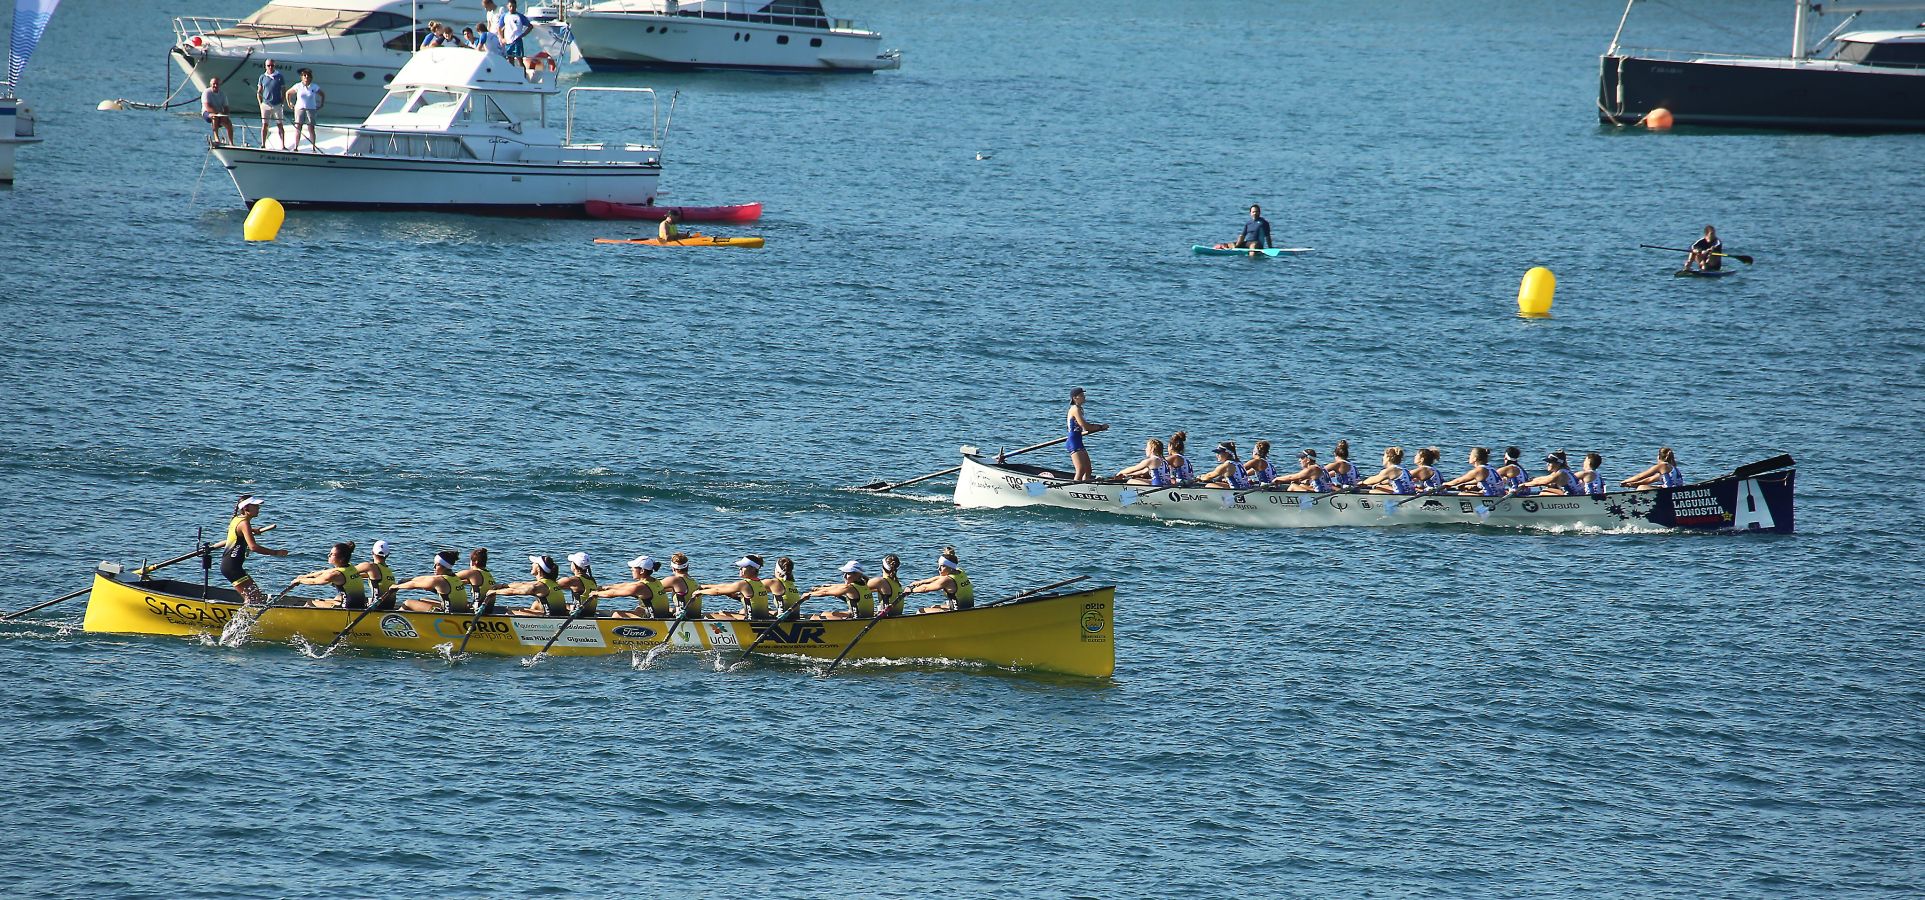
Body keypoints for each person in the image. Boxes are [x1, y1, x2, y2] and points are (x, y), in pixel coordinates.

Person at [220, 495, 288, 605]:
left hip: (230, 565)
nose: (258, 508)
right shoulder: (244, 523)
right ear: (246, 508)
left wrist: (252, 530)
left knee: (257, 597)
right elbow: (253, 547)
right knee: (252, 599)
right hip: (232, 567)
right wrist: (275, 552)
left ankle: (247, 617)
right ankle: (240, 620)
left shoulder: (237, 519)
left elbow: (239, 531)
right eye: (255, 506)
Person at [293, 542, 368, 609]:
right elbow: (323, 572)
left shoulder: (336, 574)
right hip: (360, 604)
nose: (328, 555)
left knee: (310, 603)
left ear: (341, 559)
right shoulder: (350, 567)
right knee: (336, 598)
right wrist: (306, 576)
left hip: (348, 608)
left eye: (332, 554)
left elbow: (314, 582)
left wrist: (299, 580)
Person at [395, 551, 473, 613]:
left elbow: (414, 584)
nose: (434, 567)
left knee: (408, 603)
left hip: (447, 614)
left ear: (441, 565)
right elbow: (424, 578)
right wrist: (404, 580)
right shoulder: (454, 577)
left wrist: (396, 586)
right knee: (423, 600)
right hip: (460, 610)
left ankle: (393, 623)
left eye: (436, 565)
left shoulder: (439, 580)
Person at [699, 556, 772, 621]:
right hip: (762, 618)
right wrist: (705, 586)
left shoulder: (743, 584)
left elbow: (717, 591)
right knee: (724, 613)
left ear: (752, 569)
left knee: (706, 615)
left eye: (743, 567)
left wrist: (699, 592)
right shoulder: (759, 583)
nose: (740, 568)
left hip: (751, 622)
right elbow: (725, 587)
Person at [599, 556, 672, 619]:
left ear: (642, 571)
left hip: (655, 619)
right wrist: (605, 587)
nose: (631, 569)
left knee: (616, 615)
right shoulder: (655, 581)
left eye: (633, 568)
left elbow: (613, 593)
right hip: (661, 615)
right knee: (639, 609)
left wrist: (596, 594)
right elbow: (625, 585)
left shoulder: (640, 587)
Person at [499, 555, 570, 616]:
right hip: (557, 615)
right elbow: (523, 584)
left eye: (534, 563)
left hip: (550, 618)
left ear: (538, 568)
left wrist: (494, 592)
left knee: (509, 612)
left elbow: (513, 591)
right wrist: (503, 585)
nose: (532, 564)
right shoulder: (550, 582)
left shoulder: (541, 586)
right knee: (536, 604)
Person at [908, 550, 975, 613]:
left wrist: (910, 590)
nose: (939, 569)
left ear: (950, 567)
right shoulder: (960, 571)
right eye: (939, 565)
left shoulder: (947, 580)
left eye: (942, 566)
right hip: (968, 609)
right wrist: (921, 582)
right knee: (934, 607)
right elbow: (939, 577)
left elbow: (925, 588)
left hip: (958, 612)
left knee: (921, 611)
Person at [1064, 387, 1108, 481]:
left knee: (1088, 470)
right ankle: (1073, 489)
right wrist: (1100, 427)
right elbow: (1085, 427)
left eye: (1084, 395)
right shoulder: (1075, 409)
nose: (1084, 397)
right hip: (1073, 442)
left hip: (1078, 440)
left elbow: (1083, 428)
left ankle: (1086, 487)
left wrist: (1098, 427)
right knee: (1080, 470)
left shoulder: (1080, 409)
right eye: (1081, 395)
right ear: (1075, 398)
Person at [806, 561, 874, 620]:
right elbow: (838, 586)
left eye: (847, 573)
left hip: (857, 620)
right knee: (824, 613)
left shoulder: (849, 588)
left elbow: (825, 592)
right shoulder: (864, 584)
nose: (844, 576)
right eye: (844, 573)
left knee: (814, 618)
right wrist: (821, 588)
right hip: (865, 616)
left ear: (856, 574)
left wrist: (809, 594)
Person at [287, 68, 324, 152]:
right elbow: (288, 93)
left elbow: (322, 94)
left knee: (311, 128)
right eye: (305, 76)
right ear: (302, 77)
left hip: (311, 109)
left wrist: (321, 104)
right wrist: (289, 103)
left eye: (308, 76)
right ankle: (296, 147)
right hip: (299, 109)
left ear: (311, 77)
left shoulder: (314, 86)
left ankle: (313, 147)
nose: (306, 77)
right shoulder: (298, 86)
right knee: (298, 127)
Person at [357, 540, 399, 610]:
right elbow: (376, 577)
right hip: (390, 606)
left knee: (339, 598)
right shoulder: (388, 571)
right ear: (388, 554)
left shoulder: (370, 567)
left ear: (372, 552)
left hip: (376, 608)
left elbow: (349, 570)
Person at [1516, 454, 1582, 496]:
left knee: (1543, 493)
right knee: (1549, 488)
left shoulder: (1560, 473)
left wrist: (1525, 484)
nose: (1547, 464)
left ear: (1558, 464)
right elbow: (1543, 478)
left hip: (1570, 497)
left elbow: (1543, 482)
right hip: (1574, 494)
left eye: (1550, 462)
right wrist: (1532, 480)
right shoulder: (1563, 471)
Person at [558, 552, 600, 618]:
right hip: (590, 614)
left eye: (572, 562)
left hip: (579, 616)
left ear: (574, 566)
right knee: (566, 605)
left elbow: (551, 585)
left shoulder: (573, 580)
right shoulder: (592, 579)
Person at [256, 60, 287, 149]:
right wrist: (260, 103)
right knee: (265, 125)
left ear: (274, 66)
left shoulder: (279, 76)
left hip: (277, 104)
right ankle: (263, 144)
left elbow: (283, 90)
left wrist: (282, 101)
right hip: (265, 105)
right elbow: (259, 91)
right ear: (265, 66)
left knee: (279, 124)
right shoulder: (262, 77)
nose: (270, 67)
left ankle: (283, 145)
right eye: (268, 65)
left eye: (272, 65)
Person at [460, 548, 499, 614]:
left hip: (477, 611)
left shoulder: (473, 573)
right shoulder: (488, 574)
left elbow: (449, 578)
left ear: (474, 562)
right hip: (489, 610)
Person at [201, 77, 234, 145]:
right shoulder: (206, 92)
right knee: (214, 117)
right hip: (207, 113)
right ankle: (216, 138)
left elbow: (226, 107)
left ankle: (231, 142)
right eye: (214, 84)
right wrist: (217, 113)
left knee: (229, 122)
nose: (215, 86)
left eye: (217, 84)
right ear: (211, 84)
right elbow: (207, 106)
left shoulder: (222, 94)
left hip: (219, 113)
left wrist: (225, 115)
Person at [499, 0, 533, 67]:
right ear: (507, 7)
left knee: (520, 59)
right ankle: (512, 75)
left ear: (516, 6)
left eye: (513, 6)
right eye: (510, 6)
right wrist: (501, 38)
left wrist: (523, 34)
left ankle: (523, 75)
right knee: (510, 59)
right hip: (508, 41)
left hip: (517, 41)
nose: (512, 8)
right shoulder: (504, 16)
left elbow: (530, 26)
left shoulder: (520, 16)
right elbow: (499, 28)